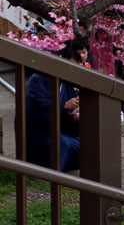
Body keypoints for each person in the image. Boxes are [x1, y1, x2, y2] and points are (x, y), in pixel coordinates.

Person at [25, 38, 90, 172]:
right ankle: (55, 176)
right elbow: (37, 107)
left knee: (90, 141)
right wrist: (63, 106)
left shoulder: (67, 83)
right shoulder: (38, 79)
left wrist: (74, 116)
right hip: (38, 130)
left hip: (59, 128)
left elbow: (65, 115)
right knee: (64, 144)